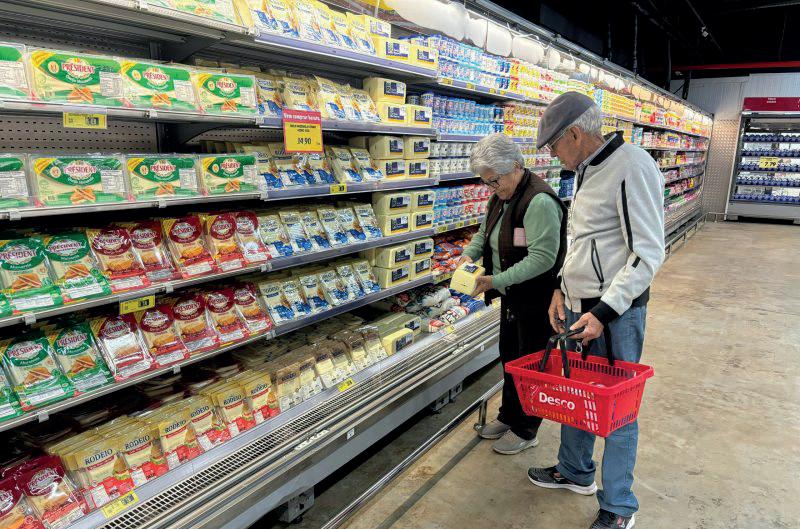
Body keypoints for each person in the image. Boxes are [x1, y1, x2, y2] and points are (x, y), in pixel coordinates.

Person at [526, 92, 665, 529]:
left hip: (614, 315)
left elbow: (648, 253)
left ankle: (619, 505)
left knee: (616, 408)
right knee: (578, 395)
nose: (553, 154)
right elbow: (582, 240)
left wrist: (603, 312)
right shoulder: (586, 168)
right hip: (579, 307)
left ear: (574, 133)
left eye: (554, 145)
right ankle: (574, 470)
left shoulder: (632, 166)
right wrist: (560, 288)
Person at [459, 133, 567, 455]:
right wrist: (468, 255)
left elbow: (542, 259)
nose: (492, 187)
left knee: (532, 366)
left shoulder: (539, 201)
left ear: (517, 166)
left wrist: (495, 281)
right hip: (512, 297)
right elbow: (484, 233)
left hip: (537, 299)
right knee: (510, 358)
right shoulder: (500, 197)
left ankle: (526, 428)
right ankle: (509, 416)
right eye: (487, 182)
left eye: (495, 180)